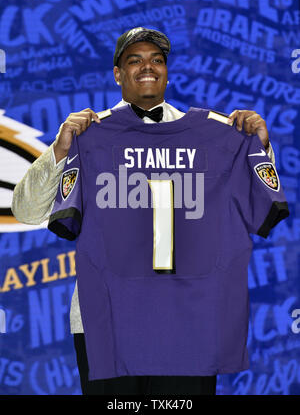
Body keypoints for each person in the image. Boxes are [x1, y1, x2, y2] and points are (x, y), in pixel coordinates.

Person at [12, 27, 284, 396]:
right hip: (106, 318)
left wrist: (258, 148)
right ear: (117, 73)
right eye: (135, 60)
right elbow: (26, 211)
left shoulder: (221, 137)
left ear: (167, 72)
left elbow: (259, 211)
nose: (148, 67)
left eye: (157, 59)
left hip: (190, 315)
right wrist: (60, 152)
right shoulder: (86, 136)